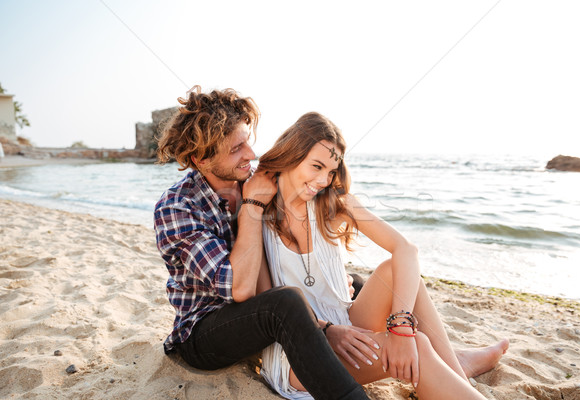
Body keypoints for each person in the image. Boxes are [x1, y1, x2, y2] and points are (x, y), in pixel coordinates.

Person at [255, 112, 509, 400]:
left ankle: (453, 373)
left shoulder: (333, 205)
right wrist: (327, 330)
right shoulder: (258, 212)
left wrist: (400, 327)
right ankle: (452, 371)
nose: (323, 180)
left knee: (394, 271)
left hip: (347, 327)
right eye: (316, 166)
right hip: (298, 355)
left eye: (330, 171)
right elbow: (268, 301)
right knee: (420, 346)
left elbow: (406, 250)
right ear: (291, 154)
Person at [154, 86, 370, 399]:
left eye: (247, 141)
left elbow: (301, 228)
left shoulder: (256, 178)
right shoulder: (177, 207)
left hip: (263, 312)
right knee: (285, 304)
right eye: (236, 149)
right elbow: (240, 289)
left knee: (358, 286)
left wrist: (331, 277)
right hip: (204, 332)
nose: (251, 155)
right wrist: (252, 206)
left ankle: (420, 361)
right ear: (200, 159)